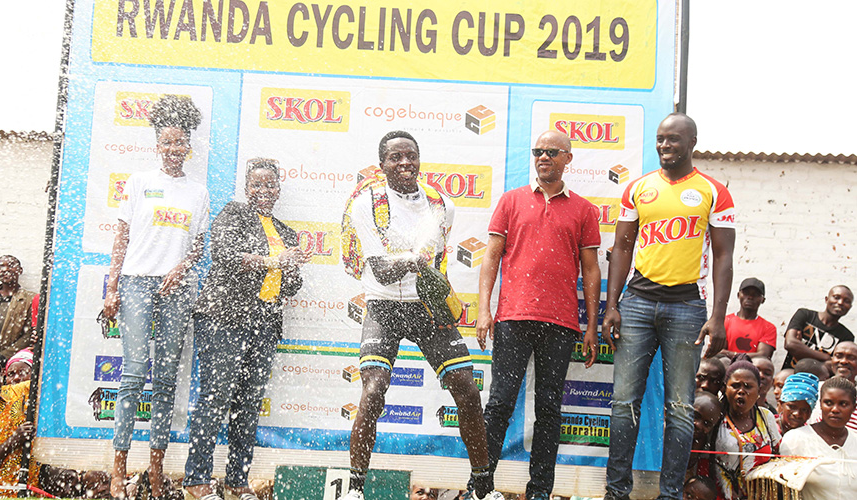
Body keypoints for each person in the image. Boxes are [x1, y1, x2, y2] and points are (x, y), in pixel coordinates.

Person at [341, 131, 500, 500]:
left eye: (410, 156)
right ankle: (354, 488)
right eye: (395, 157)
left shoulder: (441, 202)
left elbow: (429, 260)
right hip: (383, 304)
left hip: (426, 307)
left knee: (466, 386)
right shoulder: (366, 203)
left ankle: (483, 488)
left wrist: (413, 262)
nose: (405, 164)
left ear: (419, 159)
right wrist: (413, 259)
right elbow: (381, 271)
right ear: (382, 165)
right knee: (374, 387)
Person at [602, 113, 736, 500]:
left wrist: (717, 316)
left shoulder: (714, 192)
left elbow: (724, 258)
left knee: (679, 408)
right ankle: (616, 492)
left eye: (673, 139)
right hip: (638, 303)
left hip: (687, 308)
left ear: (692, 142)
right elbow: (622, 248)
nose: (664, 146)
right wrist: (613, 305)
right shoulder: (638, 188)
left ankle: (670, 493)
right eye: (660, 139)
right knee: (624, 401)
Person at [473, 130, 601, 500]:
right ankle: (480, 487)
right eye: (538, 151)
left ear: (568, 159)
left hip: (560, 324)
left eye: (552, 152)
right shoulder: (511, 200)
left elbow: (591, 270)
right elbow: (491, 258)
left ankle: (540, 492)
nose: (543, 157)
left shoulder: (584, 210)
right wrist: (484, 310)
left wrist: (591, 326)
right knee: (499, 403)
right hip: (512, 317)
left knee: (549, 409)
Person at [182, 158, 310, 500]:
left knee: (248, 404)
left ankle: (237, 483)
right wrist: (275, 261)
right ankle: (197, 482)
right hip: (223, 319)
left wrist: (293, 264)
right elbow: (224, 256)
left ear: (279, 190)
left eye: (270, 185)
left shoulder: (285, 232)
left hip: (263, 324)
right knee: (215, 398)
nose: (264, 191)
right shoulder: (234, 214)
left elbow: (291, 284)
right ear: (246, 189)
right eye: (257, 185)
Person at [102, 94, 210, 500]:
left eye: (180, 143)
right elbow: (121, 237)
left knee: (165, 381)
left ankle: (155, 471)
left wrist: (182, 267)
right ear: (156, 145)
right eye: (166, 143)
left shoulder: (198, 192)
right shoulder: (139, 183)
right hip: (136, 284)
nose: (173, 150)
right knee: (132, 376)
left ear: (188, 146)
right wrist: (112, 288)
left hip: (178, 289)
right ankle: (118, 469)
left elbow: (198, 246)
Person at [0, 352, 110, 499]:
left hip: (39, 489)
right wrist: (11, 443)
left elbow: (59, 382)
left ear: (1, 374)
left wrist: (44, 342)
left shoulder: (21, 391)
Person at [713, 357, 781, 500]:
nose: (741, 391)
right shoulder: (717, 420)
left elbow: (779, 454)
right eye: (735, 386)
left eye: (748, 386)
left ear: (759, 391)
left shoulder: (766, 416)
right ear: (725, 389)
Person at [779, 376, 857, 499]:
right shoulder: (796, 439)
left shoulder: (855, 441)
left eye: (843, 404)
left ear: (853, 407)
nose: (835, 409)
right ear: (820, 404)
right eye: (829, 403)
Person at [782, 285, 854, 369]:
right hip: (788, 376)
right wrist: (826, 357)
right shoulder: (805, 315)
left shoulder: (846, 336)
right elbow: (790, 344)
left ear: (850, 307)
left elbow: (835, 366)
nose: (840, 302)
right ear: (826, 299)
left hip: (820, 380)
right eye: (836, 297)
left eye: (846, 301)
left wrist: (800, 347)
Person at [719, 278, 776, 358]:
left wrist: (733, 354)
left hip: (754, 368)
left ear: (762, 300)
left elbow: (763, 355)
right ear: (738, 295)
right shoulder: (724, 321)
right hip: (727, 366)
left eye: (755, 294)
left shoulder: (769, 328)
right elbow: (719, 352)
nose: (750, 297)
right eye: (746, 293)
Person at [686, 391, 721, 481]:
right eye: (694, 415)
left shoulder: (701, 442)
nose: (697, 424)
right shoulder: (663, 431)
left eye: (706, 424)